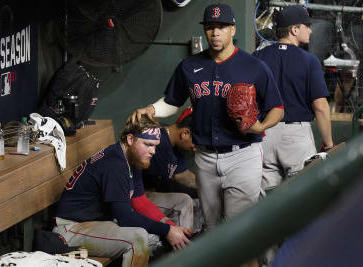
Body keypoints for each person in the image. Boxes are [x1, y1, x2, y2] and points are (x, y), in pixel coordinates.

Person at [131, 3, 284, 233]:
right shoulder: (189, 66)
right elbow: (171, 102)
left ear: (233, 29)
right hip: (205, 157)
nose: (215, 32)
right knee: (211, 228)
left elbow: (278, 108)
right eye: (210, 27)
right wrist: (151, 109)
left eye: (221, 27)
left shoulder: (254, 66)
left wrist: (261, 125)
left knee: (239, 230)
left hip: (242, 155)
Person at [52, 115, 193, 267]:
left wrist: (170, 228)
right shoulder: (115, 164)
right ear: (131, 139)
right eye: (148, 144)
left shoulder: (133, 158)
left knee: (153, 234)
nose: (153, 151)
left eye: (155, 146)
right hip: (71, 228)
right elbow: (125, 217)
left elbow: (139, 202)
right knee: (137, 238)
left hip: (98, 221)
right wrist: (167, 230)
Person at [253, 5, 334, 192]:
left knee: (268, 201)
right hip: (296, 136)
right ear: (294, 30)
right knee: (304, 195)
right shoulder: (309, 60)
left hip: (264, 133)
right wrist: (329, 144)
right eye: (307, 26)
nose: (310, 30)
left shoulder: (257, 58)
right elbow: (320, 107)